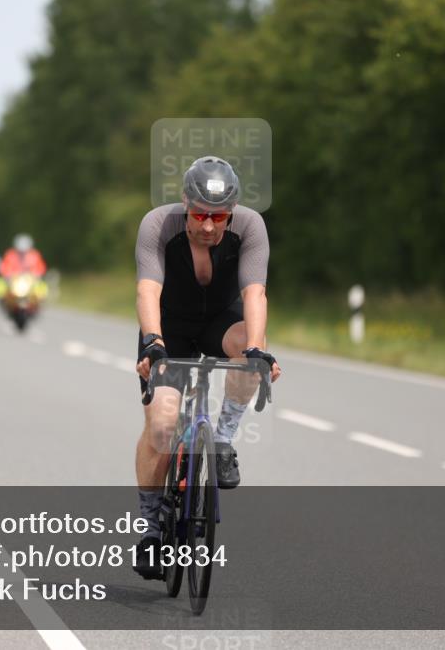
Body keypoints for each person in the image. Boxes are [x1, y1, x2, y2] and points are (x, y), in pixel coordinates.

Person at [131, 156, 281, 580]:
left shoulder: (250, 227)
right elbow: (147, 289)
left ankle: (223, 440)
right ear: (185, 203)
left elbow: (255, 294)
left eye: (220, 216)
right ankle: (148, 529)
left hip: (220, 322)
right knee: (161, 425)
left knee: (251, 348)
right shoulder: (159, 225)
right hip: (168, 327)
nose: (210, 226)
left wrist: (255, 351)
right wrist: (154, 344)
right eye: (200, 214)